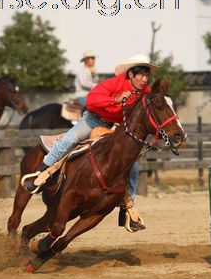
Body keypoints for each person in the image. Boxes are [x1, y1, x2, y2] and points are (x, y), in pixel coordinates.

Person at [22, 54, 159, 232]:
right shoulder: (113, 84)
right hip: (94, 120)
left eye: (146, 76)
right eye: (140, 75)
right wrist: (115, 100)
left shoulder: (145, 92)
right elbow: (92, 100)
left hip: (116, 128)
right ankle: (40, 175)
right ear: (130, 75)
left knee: (132, 165)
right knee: (70, 139)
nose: (144, 79)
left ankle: (128, 208)